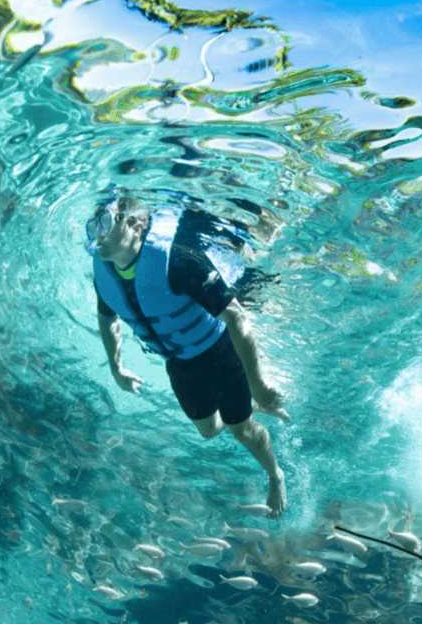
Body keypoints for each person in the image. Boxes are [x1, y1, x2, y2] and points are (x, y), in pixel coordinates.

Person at [86, 189, 289, 515]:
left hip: (220, 351)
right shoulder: (104, 276)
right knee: (208, 431)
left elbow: (236, 317)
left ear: (137, 224)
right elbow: (107, 319)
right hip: (179, 362)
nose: (100, 235)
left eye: (108, 222)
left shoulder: (178, 261)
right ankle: (244, 406)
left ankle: (275, 474)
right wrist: (115, 367)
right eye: (94, 226)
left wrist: (259, 385)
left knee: (243, 431)